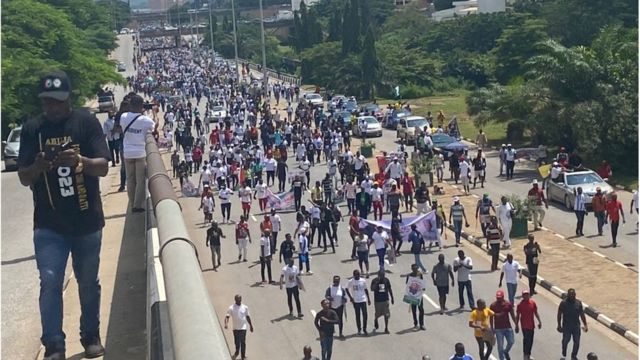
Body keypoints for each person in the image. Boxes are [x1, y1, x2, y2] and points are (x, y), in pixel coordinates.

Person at [18, 71, 110, 359]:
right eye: (46, 102)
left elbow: (104, 166)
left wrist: (80, 161)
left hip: (86, 221)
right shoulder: (33, 129)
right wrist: (38, 167)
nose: (51, 108)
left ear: (68, 98)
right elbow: (23, 176)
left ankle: (90, 335)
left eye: (56, 102)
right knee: (49, 280)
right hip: (49, 224)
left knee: (87, 282)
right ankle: (54, 345)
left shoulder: (86, 123)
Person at [120, 94, 156, 212]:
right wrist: (154, 113)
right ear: (141, 106)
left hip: (127, 153)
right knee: (140, 180)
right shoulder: (145, 120)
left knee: (130, 179)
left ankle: (132, 203)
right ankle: (137, 205)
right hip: (140, 152)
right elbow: (154, 127)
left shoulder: (124, 116)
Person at [557, 288, 588, 360]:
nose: (572, 295)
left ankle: (573, 356)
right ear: (568, 295)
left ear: (575, 294)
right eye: (570, 294)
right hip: (566, 326)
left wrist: (585, 325)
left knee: (576, 341)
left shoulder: (578, 303)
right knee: (566, 340)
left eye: (573, 294)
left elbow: (582, 314)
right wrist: (559, 325)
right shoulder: (563, 303)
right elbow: (559, 314)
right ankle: (564, 350)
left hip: (576, 326)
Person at [224, 295, 254, 360]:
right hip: (235, 328)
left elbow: (247, 317)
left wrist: (251, 325)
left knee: (243, 342)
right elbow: (227, 316)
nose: (239, 301)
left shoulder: (245, 307)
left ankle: (243, 356)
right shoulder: (231, 308)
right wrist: (226, 323)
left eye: (240, 299)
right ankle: (237, 351)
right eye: (238, 299)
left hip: (243, 327)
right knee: (237, 342)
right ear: (235, 300)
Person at [515, 290, 542, 360]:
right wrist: (516, 325)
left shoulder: (533, 303)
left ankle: (528, 354)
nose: (526, 296)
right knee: (527, 340)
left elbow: (536, 313)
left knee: (531, 341)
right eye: (524, 295)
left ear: (529, 295)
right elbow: (517, 316)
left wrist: (539, 321)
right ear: (522, 296)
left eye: (527, 294)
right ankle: (525, 355)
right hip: (524, 326)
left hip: (531, 325)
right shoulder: (520, 305)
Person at [490, 290, 516, 360]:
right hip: (498, 329)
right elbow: (491, 317)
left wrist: (516, 324)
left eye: (500, 298)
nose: (498, 299)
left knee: (511, 341)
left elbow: (512, 314)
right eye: (497, 298)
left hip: (508, 327)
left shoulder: (508, 304)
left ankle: (506, 351)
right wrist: (492, 328)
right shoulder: (493, 305)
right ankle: (501, 358)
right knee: (500, 346)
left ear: (503, 297)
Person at [346, 269, 371, 336]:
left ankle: (364, 329)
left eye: (358, 274)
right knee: (358, 315)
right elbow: (346, 289)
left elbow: (366, 289)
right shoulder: (351, 281)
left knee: (365, 315)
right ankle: (359, 329)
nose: (358, 276)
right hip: (356, 301)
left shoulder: (363, 280)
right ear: (354, 275)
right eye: (356, 275)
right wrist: (351, 298)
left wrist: (368, 299)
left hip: (363, 300)